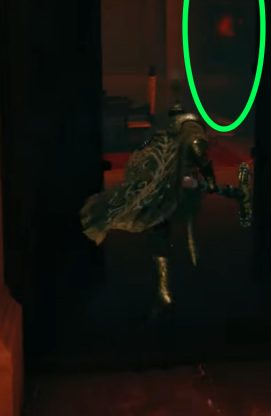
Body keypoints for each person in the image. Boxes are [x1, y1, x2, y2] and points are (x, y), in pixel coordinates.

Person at [80, 103, 219, 314]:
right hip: (181, 190)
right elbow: (202, 160)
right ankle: (180, 280)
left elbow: (143, 151)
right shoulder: (192, 135)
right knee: (181, 231)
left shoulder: (163, 134)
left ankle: (169, 288)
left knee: (167, 233)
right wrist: (210, 182)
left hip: (168, 191)